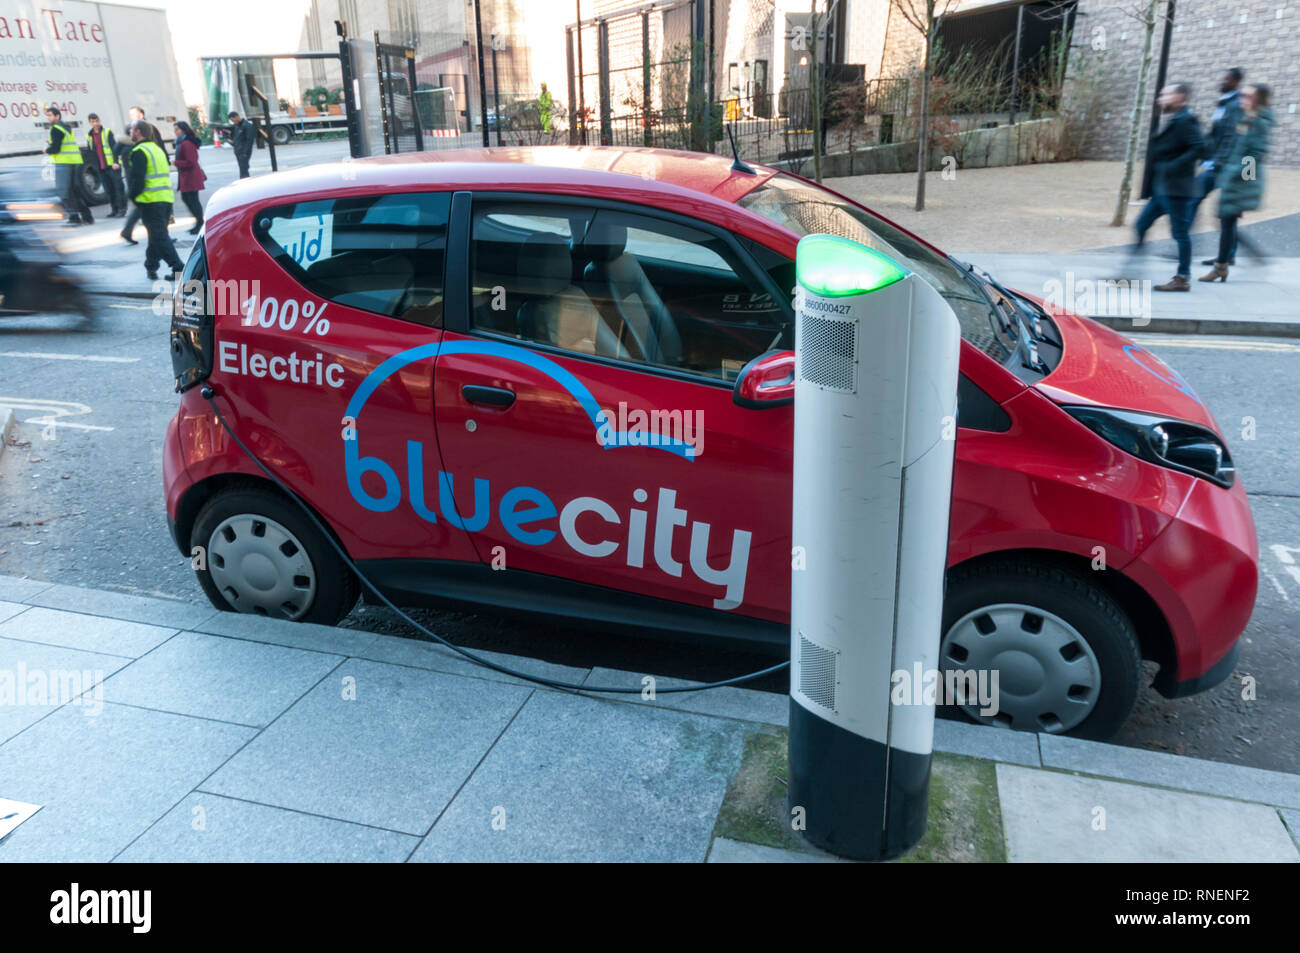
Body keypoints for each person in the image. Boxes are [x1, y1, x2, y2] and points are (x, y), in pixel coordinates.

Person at [1129, 84, 1202, 292]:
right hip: (1163, 189)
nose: (1161, 98)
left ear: (1181, 96)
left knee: (1180, 234)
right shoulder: (1175, 118)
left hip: (1177, 190)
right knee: (1141, 225)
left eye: (1166, 94)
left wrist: (1174, 166)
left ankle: (1183, 278)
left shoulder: (1186, 120)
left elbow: (1200, 147)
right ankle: (1131, 272)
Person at [1200, 84, 1273, 283]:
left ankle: (1221, 267)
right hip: (1235, 178)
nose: (1243, 98)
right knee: (1226, 221)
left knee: (1226, 220)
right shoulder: (1248, 119)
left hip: (1239, 181)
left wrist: (1238, 176)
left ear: (1258, 99)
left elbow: (1255, 154)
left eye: (1248, 96)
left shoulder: (1258, 123)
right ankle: (1227, 261)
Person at [1194, 68, 1245, 265]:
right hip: (1220, 163)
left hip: (1229, 167)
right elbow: (1216, 134)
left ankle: (1224, 260)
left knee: (1228, 215)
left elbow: (1248, 151)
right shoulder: (1224, 104)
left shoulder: (1238, 108)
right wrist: (1205, 156)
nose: (1221, 81)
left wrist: (1245, 179)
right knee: (1224, 214)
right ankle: (1225, 257)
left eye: (1226, 78)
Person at [126, 121, 184, 280]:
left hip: (150, 201)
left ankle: (179, 269)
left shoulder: (139, 151)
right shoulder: (157, 149)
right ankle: (151, 266)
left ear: (137, 131)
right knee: (156, 236)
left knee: (160, 236)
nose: (130, 132)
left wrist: (132, 196)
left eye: (131, 130)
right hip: (165, 198)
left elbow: (137, 179)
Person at [118, 107, 168, 245]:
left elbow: (159, 144)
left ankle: (129, 231)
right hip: (149, 180)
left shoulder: (150, 128)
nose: (132, 117)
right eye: (130, 115)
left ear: (141, 114)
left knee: (144, 207)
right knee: (150, 208)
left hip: (152, 172)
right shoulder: (131, 133)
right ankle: (163, 238)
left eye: (134, 114)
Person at [43, 106, 94, 225]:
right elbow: (63, 144)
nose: (49, 118)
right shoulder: (65, 127)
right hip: (73, 161)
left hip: (63, 163)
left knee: (64, 192)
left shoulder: (56, 129)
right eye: (48, 116)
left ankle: (74, 218)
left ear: (57, 116)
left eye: (50, 115)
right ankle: (87, 217)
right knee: (74, 191)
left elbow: (55, 149)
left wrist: (46, 149)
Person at [85, 113, 126, 217]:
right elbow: (90, 151)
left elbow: (114, 148)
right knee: (109, 189)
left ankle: (122, 209)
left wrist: (116, 162)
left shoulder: (107, 132)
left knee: (118, 188)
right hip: (100, 167)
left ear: (99, 120)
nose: (95, 123)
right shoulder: (89, 136)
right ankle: (114, 210)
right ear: (89, 122)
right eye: (92, 121)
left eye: (96, 120)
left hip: (112, 165)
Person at [172, 121, 207, 234]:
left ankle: (200, 223)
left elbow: (191, 162)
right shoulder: (182, 142)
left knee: (192, 200)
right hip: (187, 176)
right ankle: (199, 222)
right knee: (189, 199)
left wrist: (176, 163)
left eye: (177, 129)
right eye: (175, 129)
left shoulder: (186, 143)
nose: (175, 132)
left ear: (183, 130)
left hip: (191, 176)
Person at [228, 111, 254, 178]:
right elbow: (236, 139)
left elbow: (249, 140)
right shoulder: (236, 127)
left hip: (244, 152)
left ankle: (245, 183)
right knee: (242, 169)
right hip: (238, 151)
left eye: (233, 120)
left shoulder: (246, 126)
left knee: (244, 170)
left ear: (237, 117)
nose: (233, 122)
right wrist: (232, 143)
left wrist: (245, 152)